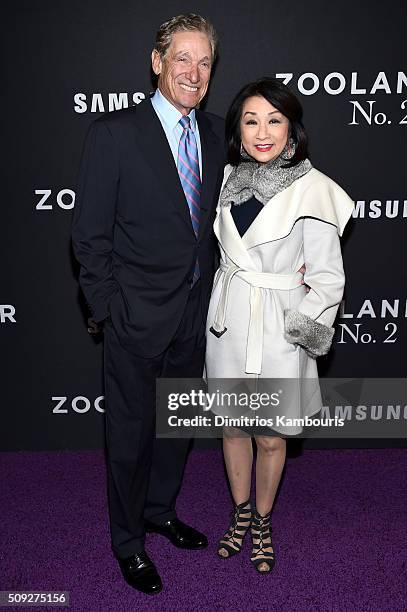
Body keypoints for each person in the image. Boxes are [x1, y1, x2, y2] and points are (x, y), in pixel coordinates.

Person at [71, 14, 226, 595]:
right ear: (157, 62)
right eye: (181, 58)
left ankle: (161, 512)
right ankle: (128, 540)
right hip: (134, 316)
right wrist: (110, 309)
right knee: (131, 436)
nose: (193, 71)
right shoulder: (113, 133)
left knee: (176, 426)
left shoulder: (215, 134)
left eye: (204, 61)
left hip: (195, 312)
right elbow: (88, 235)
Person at [205, 78, 354, 573]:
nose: (262, 132)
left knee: (271, 436)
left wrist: (300, 328)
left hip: (279, 326)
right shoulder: (227, 179)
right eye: (251, 120)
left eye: (274, 120)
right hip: (228, 322)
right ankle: (240, 512)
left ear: (292, 128)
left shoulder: (314, 189)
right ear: (238, 130)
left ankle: (263, 521)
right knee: (232, 428)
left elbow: (329, 279)